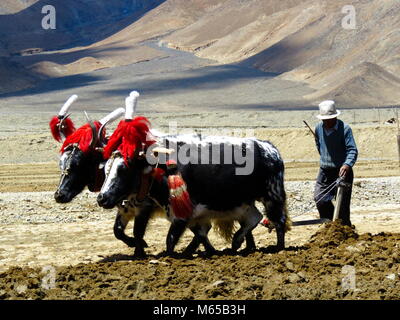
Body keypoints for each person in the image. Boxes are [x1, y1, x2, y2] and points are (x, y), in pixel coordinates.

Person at [314, 100, 358, 226]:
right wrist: (326, 159)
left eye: (329, 119)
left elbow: (352, 150)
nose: (326, 122)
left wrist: (347, 164)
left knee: (343, 206)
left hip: (343, 171)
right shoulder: (318, 128)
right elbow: (319, 145)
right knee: (320, 199)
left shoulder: (345, 129)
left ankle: (344, 228)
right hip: (325, 171)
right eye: (324, 119)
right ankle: (331, 225)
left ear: (335, 117)